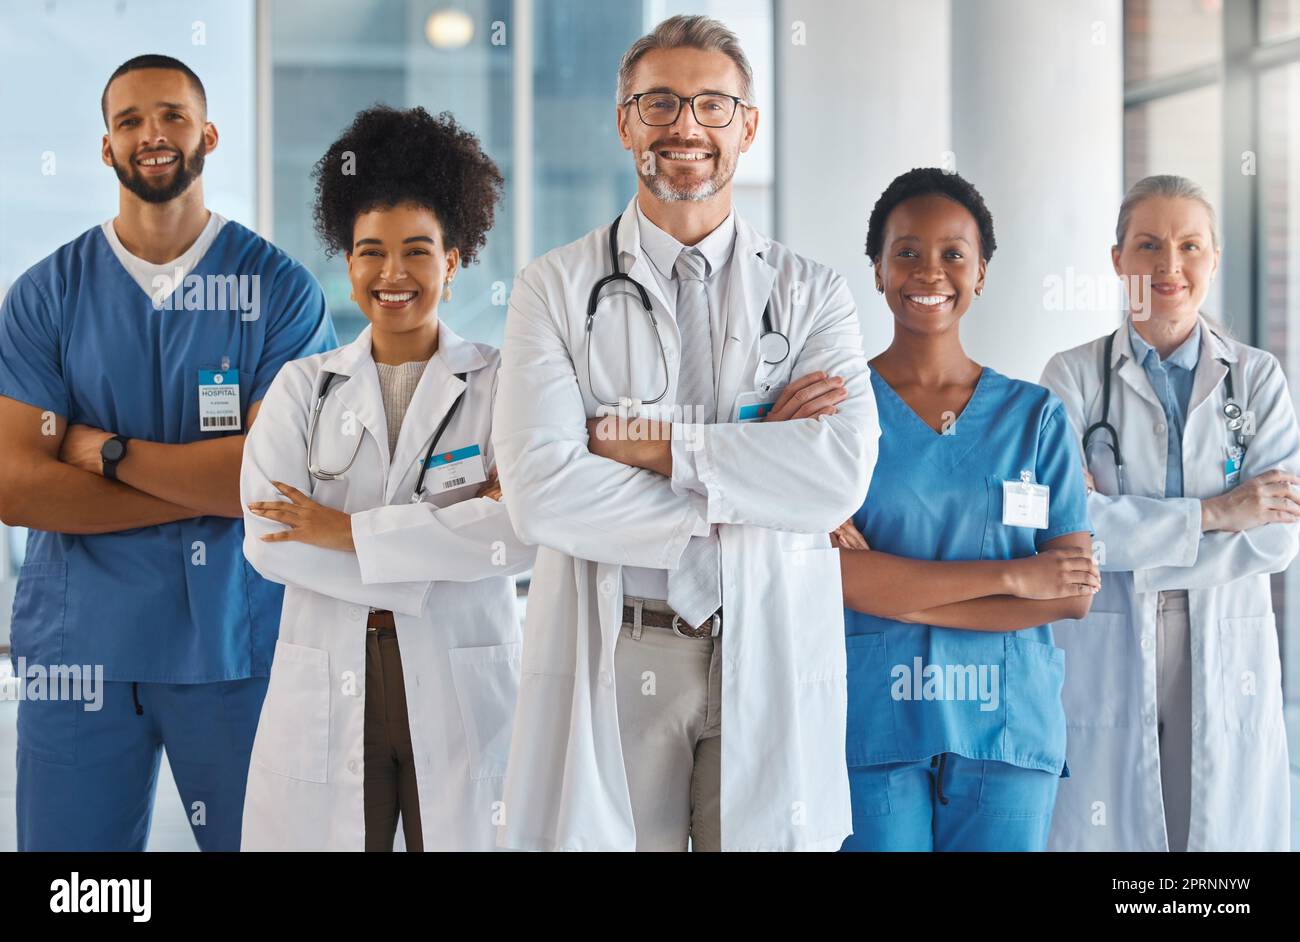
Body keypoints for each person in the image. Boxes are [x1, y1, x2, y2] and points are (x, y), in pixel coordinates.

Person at [491, 14, 879, 852]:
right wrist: (750, 470)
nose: (685, 127)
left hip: (766, 639)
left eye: (712, 104)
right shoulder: (553, 289)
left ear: (748, 126)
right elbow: (540, 494)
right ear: (625, 121)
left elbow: (838, 477)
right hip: (627, 639)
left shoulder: (815, 293)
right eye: (659, 103)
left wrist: (658, 449)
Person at [0, 54, 336, 851]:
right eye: (129, 121)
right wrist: (212, 483)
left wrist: (105, 452)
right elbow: (15, 485)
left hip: (231, 642)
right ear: (107, 149)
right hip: (80, 654)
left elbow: (270, 477)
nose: (151, 134)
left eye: (172, 115)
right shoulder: (48, 293)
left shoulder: (276, 290)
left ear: (208, 133)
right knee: (76, 894)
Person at [239, 106, 534, 851]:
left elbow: (524, 533)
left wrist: (343, 532)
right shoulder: (302, 389)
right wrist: (443, 548)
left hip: (463, 679)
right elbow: (270, 542)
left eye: (417, 251)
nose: (392, 274)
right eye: (370, 251)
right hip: (332, 681)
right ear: (347, 261)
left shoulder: (505, 387)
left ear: (456, 258)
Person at [837, 168, 1097, 852]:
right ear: (877, 270)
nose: (932, 271)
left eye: (954, 253)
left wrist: (892, 587)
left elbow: (1071, 594)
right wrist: (1014, 577)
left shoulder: (1035, 417)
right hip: (874, 724)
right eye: (907, 251)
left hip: (1006, 728)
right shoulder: (840, 414)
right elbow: (829, 576)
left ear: (981, 272)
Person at [1040, 174, 1300, 851]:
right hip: (1108, 630)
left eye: (1189, 246)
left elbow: (1276, 539)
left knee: (1213, 838)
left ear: (1213, 259)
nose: (1169, 265)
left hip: (1223, 629)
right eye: (1148, 245)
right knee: (1115, 831)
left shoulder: (1258, 380)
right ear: (1117, 261)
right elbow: (1067, 528)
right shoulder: (1071, 377)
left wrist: (1128, 530)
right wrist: (1219, 513)